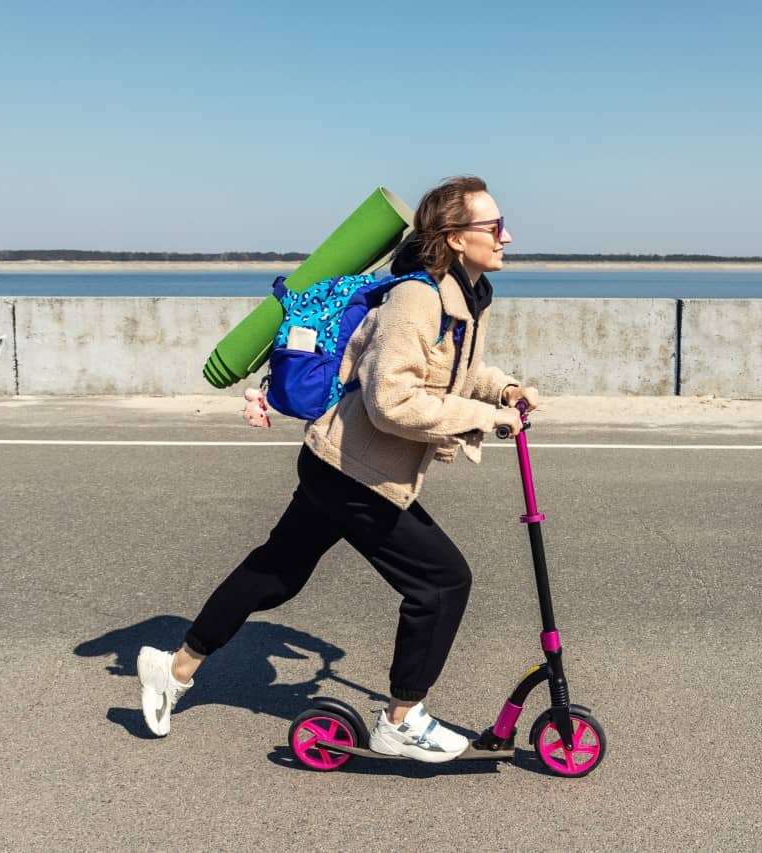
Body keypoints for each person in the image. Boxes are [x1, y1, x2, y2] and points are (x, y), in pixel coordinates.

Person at [138, 176, 540, 762]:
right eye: (495, 226)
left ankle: (171, 670)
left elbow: (449, 371)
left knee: (276, 573)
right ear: (456, 239)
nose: (508, 236)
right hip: (355, 469)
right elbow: (392, 400)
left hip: (337, 460)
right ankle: (402, 719)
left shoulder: (465, 295)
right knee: (441, 581)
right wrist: (484, 417)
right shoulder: (418, 298)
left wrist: (502, 387)